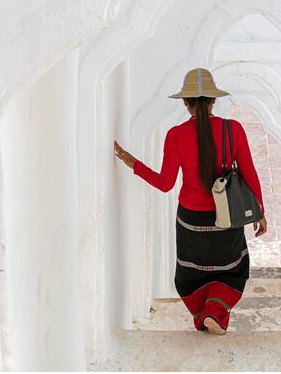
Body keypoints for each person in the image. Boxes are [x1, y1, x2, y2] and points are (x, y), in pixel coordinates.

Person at [113, 68, 267, 335]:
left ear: (186, 104)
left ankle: (205, 315)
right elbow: (249, 172)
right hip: (227, 217)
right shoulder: (234, 129)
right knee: (232, 269)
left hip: (191, 221)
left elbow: (165, 184)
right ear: (213, 100)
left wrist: (132, 162)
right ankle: (215, 312)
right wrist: (260, 212)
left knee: (191, 274)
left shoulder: (176, 135)